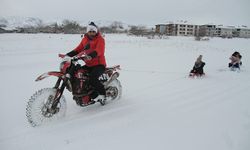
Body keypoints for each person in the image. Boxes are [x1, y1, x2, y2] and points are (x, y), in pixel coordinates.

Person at [65, 22, 106, 103]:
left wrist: (91, 56)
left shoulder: (100, 39)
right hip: (89, 64)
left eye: (93, 31)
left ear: (96, 31)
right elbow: (78, 49)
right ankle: (82, 92)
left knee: (92, 78)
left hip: (99, 64)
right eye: (90, 31)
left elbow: (99, 50)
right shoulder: (85, 39)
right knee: (77, 73)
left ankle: (102, 95)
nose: (92, 33)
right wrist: (67, 55)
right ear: (87, 31)